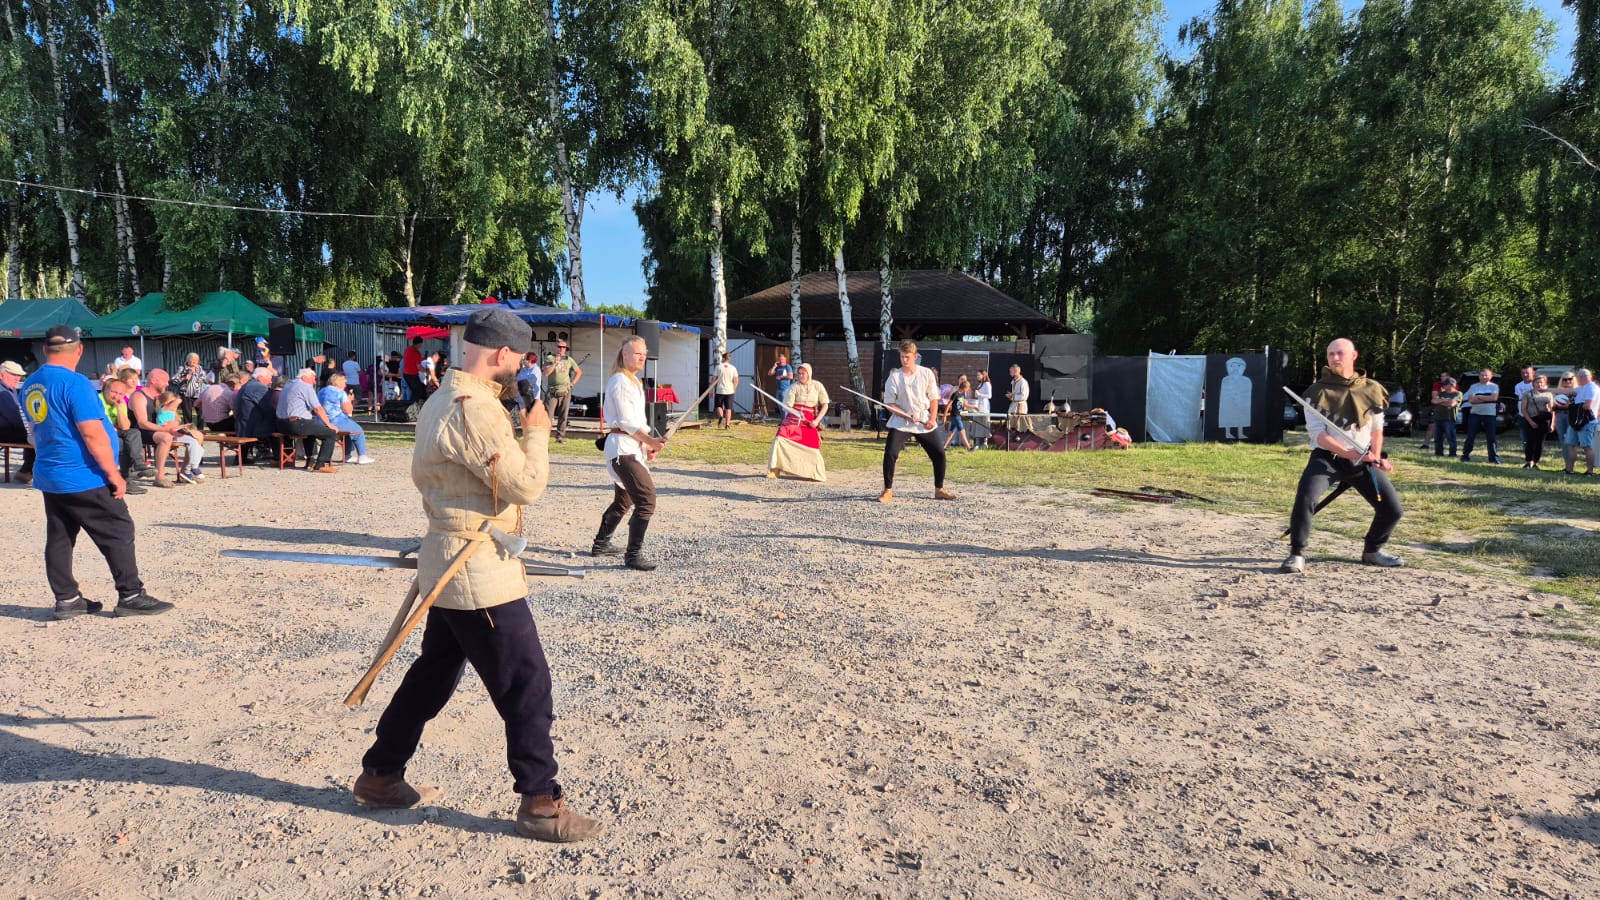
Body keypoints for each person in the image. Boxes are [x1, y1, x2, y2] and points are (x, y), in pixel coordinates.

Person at [354, 306, 601, 843]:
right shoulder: (473, 408)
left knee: (434, 672)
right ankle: (541, 803)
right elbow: (525, 486)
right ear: (503, 354)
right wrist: (537, 434)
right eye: (520, 359)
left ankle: (380, 775)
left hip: (453, 559)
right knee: (527, 682)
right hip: (475, 566)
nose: (522, 367)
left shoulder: (441, 398)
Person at [21, 326, 171, 619]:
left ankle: (67, 599)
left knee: (60, 535)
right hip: (84, 474)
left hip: (52, 472)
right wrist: (114, 475)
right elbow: (92, 434)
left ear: (44, 349)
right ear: (79, 350)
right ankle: (131, 595)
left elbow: (34, 431)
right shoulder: (75, 383)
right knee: (118, 529)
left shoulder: (31, 384)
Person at [1282, 338, 1402, 575]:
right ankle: (1296, 554)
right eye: (1330, 354)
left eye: (1340, 353)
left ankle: (1372, 551)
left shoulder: (1372, 389)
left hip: (1363, 459)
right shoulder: (1317, 392)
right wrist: (1348, 452)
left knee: (1392, 510)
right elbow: (1318, 435)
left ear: (1353, 356)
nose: (1335, 358)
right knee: (1305, 498)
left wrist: (1377, 455)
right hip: (1327, 458)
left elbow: (1377, 429)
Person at [591, 336, 666, 569]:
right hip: (622, 449)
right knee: (646, 500)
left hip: (631, 447)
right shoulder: (620, 381)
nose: (642, 357)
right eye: (637, 353)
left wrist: (647, 446)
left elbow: (636, 421)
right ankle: (633, 556)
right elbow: (625, 422)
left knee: (624, 499)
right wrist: (649, 440)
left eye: (644, 353)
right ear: (625, 354)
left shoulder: (634, 382)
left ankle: (601, 544)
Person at [879, 340, 957, 503]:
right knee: (891, 452)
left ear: (915, 356)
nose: (904, 360)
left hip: (923, 418)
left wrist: (932, 419)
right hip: (901, 421)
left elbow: (934, 398)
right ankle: (887, 490)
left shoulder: (926, 373)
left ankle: (939, 489)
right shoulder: (894, 377)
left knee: (939, 453)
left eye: (907, 357)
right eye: (902, 356)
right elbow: (890, 404)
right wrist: (906, 415)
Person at [767, 362, 830, 481]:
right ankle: (775, 469)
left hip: (810, 420)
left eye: (803, 373)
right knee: (780, 438)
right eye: (799, 373)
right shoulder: (793, 387)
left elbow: (825, 405)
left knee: (812, 442)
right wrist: (793, 411)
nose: (800, 376)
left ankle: (814, 473)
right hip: (793, 417)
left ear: (809, 374)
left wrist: (816, 421)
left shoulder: (817, 386)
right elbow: (786, 407)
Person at [277, 368, 340, 472]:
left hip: (281, 425)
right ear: (304, 377)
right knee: (330, 433)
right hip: (296, 424)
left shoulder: (288, 385)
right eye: (313, 378)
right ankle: (321, 464)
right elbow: (317, 408)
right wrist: (329, 424)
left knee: (311, 429)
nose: (314, 382)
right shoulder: (305, 386)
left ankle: (310, 462)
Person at [127, 368, 179, 488]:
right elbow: (142, 423)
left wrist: (175, 423)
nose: (167, 384)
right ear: (153, 380)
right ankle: (160, 476)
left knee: (195, 435)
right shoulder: (139, 396)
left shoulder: (162, 397)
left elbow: (176, 416)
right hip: (139, 432)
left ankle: (188, 470)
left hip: (158, 429)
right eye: (165, 381)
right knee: (165, 437)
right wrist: (167, 429)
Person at [102, 373, 150, 491]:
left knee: (133, 433)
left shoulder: (120, 402)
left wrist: (119, 408)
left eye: (120, 394)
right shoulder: (98, 400)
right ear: (105, 389)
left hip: (115, 431)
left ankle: (139, 464)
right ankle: (125, 480)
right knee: (122, 443)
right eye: (114, 392)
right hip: (100, 433)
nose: (117, 396)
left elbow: (125, 427)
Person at [1553, 368, 1599, 476]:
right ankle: (1569, 470)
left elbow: (1588, 405)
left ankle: (1590, 472)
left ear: (1583, 377)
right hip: (1576, 420)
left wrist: (1571, 406)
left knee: (1587, 446)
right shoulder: (1581, 388)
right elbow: (1566, 391)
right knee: (1570, 444)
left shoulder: (1591, 388)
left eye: (1577, 377)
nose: (1576, 379)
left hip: (1586, 421)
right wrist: (1545, 390)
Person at [155, 391, 208, 483]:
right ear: (167, 403)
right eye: (175, 403)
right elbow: (178, 401)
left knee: (199, 448)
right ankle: (193, 467)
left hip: (174, 433)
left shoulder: (170, 411)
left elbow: (175, 423)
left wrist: (182, 427)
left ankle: (190, 469)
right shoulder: (164, 410)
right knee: (193, 442)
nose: (178, 406)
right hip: (169, 435)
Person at [320, 373, 373, 464]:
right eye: (344, 383)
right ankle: (362, 456)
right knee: (358, 430)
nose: (345, 385)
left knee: (348, 432)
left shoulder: (322, 391)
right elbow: (348, 410)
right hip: (336, 421)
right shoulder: (340, 393)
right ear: (337, 383)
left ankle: (347, 455)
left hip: (321, 421)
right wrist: (350, 400)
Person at [0, 359, 36, 484]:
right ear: (1, 375)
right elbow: (15, 418)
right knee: (36, 434)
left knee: (32, 432)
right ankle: (27, 470)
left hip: (7, 429)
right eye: (13, 374)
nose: (17, 378)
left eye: (19, 375)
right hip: (4, 431)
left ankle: (27, 470)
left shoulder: (9, 389)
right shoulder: (3, 391)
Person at [542, 339, 581, 442]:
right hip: (552, 391)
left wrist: (572, 383)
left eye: (564, 347)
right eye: (559, 347)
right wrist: (554, 363)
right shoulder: (549, 358)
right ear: (555, 347)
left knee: (563, 415)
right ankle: (545, 436)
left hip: (565, 391)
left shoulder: (569, 360)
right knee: (548, 415)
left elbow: (579, 372)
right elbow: (545, 373)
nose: (561, 349)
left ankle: (560, 436)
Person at [1458, 369, 1501, 464]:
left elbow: (1494, 398)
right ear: (1479, 376)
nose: (1484, 377)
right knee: (1470, 435)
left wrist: (1478, 396)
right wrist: (1487, 398)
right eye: (1482, 375)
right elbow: (1471, 400)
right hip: (1475, 414)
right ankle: (1465, 456)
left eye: (1486, 375)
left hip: (1490, 414)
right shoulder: (1474, 386)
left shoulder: (1494, 386)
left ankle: (1493, 458)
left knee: (1491, 437)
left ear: (1490, 376)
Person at [236, 367, 276, 462]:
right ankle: (279, 456)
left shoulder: (247, 385)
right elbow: (268, 408)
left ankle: (244, 457)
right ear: (261, 377)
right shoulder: (259, 387)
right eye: (269, 378)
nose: (270, 382)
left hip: (244, 424)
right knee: (280, 427)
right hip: (252, 425)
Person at [1519, 374, 1556, 469]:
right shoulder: (1528, 394)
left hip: (1544, 420)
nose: (1539, 384)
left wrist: (1552, 423)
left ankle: (1535, 461)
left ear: (1545, 383)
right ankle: (1528, 461)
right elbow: (1523, 409)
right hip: (1531, 418)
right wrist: (1530, 421)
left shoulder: (1549, 394)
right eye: (1537, 382)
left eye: (1541, 382)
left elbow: (1552, 410)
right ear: (1533, 383)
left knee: (1540, 442)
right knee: (1530, 441)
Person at [173, 353, 207, 426]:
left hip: (198, 394)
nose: (193, 362)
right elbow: (174, 380)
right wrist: (184, 378)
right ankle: (188, 429)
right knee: (187, 414)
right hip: (186, 394)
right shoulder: (183, 368)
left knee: (201, 412)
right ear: (187, 360)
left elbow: (204, 378)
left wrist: (201, 380)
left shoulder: (200, 369)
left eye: (196, 360)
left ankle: (200, 430)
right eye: (191, 360)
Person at [942, 375, 974, 452]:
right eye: (967, 388)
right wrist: (944, 416)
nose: (968, 390)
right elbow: (948, 405)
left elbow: (964, 404)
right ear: (965, 388)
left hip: (958, 415)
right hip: (955, 416)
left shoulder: (962, 394)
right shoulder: (955, 394)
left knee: (951, 433)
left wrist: (974, 407)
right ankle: (969, 448)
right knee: (962, 432)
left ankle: (943, 447)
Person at [1432, 377, 1461, 457]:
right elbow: (1433, 401)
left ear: (1452, 385)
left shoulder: (1457, 393)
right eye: (1443, 384)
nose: (1443, 386)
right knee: (1437, 437)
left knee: (1450, 437)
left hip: (1449, 418)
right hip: (1438, 418)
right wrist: (1445, 401)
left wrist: (1440, 401)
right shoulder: (1441, 393)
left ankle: (1452, 454)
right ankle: (1438, 453)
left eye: (1445, 384)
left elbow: (1452, 404)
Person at [1513, 365, 1537, 460]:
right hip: (1522, 415)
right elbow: (1518, 399)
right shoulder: (1518, 386)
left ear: (1533, 373)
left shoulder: (1537, 384)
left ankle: (1535, 457)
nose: (1525, 375)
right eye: (1523, 373)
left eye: (1527, 373)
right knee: (1524, 438)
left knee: (1535, 437)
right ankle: (1528, 457)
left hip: (1535, 415)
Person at [711, 352, 738, 429]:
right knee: (728, 408)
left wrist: (710, 390)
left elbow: (713, 379)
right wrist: (733, 389)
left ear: (723, 358)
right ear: (729, 359)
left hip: (720, 390)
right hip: (730, 391)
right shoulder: (733, 368)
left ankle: (721, 416)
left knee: (718, 406)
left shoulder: (718, 367)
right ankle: (727, 425)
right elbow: (736, 381)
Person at [402, 337, 426, 403]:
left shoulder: (407, 349)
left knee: (415, 390)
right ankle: (413, 405)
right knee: (418, 391)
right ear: (419, 344)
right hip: (412, 375)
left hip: (405, 374)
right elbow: (419, 367)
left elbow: (410, 360)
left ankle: (412, 404)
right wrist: (427, 371)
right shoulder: (416, 352)